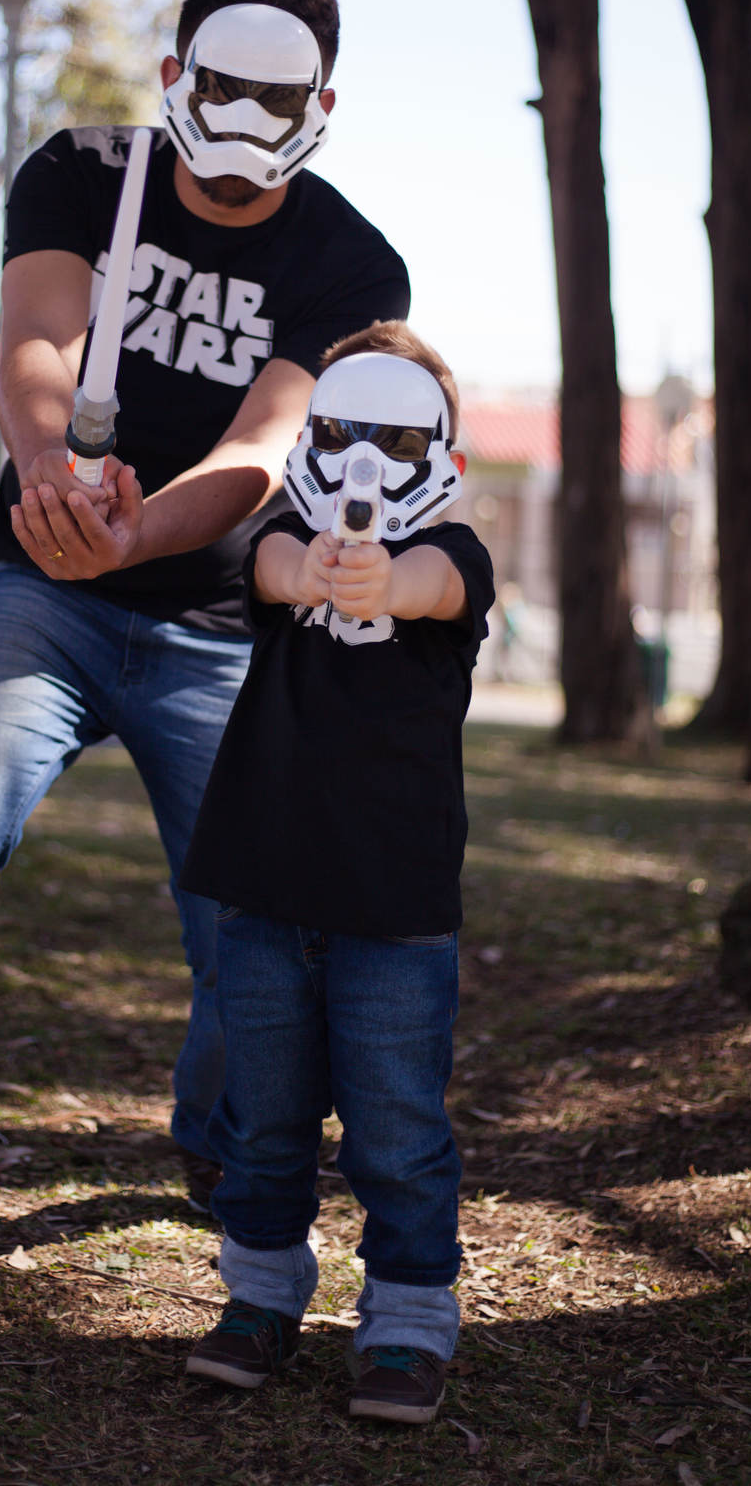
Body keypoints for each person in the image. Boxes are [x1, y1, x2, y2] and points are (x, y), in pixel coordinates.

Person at [0, 0, 412, 1314]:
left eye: (280, 98)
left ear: (322, 106)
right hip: (47, 596)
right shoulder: (81, 173)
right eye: (224, 87)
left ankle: (220, 1137)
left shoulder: (353, 262)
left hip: (220, 625)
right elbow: (34, 347)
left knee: (253, 922)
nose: (246, 123)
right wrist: (52, 482)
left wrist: (140, 532)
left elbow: (262, 449)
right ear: (176, 74)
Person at [178, 322, 494, 1426]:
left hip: (396, 916)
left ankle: (407, 1320)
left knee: (397, 1134)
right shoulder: (284, 540)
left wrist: (382, 580)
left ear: (444, 456)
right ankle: (260, 1299)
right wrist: (309, 566)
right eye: (343, 431)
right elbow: (263, 566)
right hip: (265, 895)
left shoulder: (456, 554)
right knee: (261, 1124)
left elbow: (436, 586)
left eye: (396, 438)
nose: (364, 460)